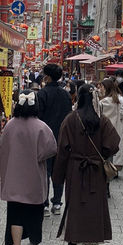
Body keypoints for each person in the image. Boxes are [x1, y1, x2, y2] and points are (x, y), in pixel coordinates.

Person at [53, 84, 120, 245]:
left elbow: (62, 149)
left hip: (75, 170)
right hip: (95, 172)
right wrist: (101, 154)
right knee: (93, 212)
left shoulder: (71, 119)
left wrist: (58, 175)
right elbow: (113, 144)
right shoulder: (102, 120)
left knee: (75, 208)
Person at [0, 90, 57, 245]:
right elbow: (51, 149)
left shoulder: (9, 126)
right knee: (34, 213)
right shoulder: (41, 126)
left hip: (14, 178)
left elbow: (3, 149)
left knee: (15, 215)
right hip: (34, 178)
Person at [37, 63, 73, 216]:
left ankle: (44, 204)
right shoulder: (65, 94)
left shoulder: (42, 94)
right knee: (58, 172)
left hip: (44, 139)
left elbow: (37, 118)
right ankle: (57, 203)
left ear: (48, 76)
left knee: (44, 171)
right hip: (62, 139)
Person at [98, 78, 123, 170]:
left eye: (102, 87)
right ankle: (114, 167)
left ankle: (108, 168)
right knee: (116, 148)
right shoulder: (121, 99)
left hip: (106, 130)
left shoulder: (103, 102)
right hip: (118, 129)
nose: (101, 89)